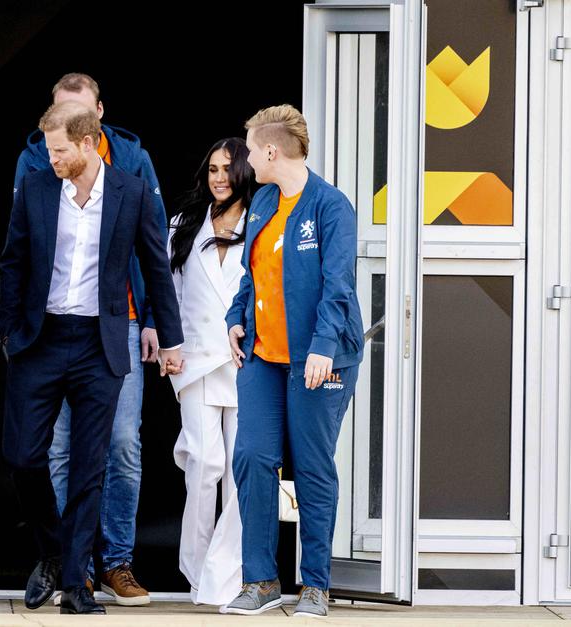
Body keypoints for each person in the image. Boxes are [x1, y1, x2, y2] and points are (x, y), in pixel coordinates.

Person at [0, 101, 183, 615]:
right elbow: (12, 261)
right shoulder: (36, 186)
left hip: (102, 343)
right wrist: (11, 333)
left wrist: (169, 339)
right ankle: (56, 554)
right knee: (22, 456)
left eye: (58, 150)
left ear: (86, 143)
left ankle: (77, 585)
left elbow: (155, 264)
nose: (49, 158)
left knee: (89, 466)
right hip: (40, 339)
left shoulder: (131, 191)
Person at [223, 105, 364, 617]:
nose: (245, 157)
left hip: (320, 357)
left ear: (271, 151)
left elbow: (339, 284)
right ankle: (260, 580)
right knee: (253, 457)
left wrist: (324, 347)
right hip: (263, 354)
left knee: (311, 466)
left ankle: (315, 586)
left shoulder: (330, 205)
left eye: (250, 148)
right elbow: (251, 275)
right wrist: (235, 317)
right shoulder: (262, 199)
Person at [167, 138, 252, 606]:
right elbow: (169, 290)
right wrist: (167, 346)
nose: (219, 178)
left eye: (227, 169)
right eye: (212, 170)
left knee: (240, 472)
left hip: (246, 363)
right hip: (195, 359)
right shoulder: (183, 224)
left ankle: (228, 572)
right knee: (203, 465)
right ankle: (197, 570)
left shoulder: (261, 222)